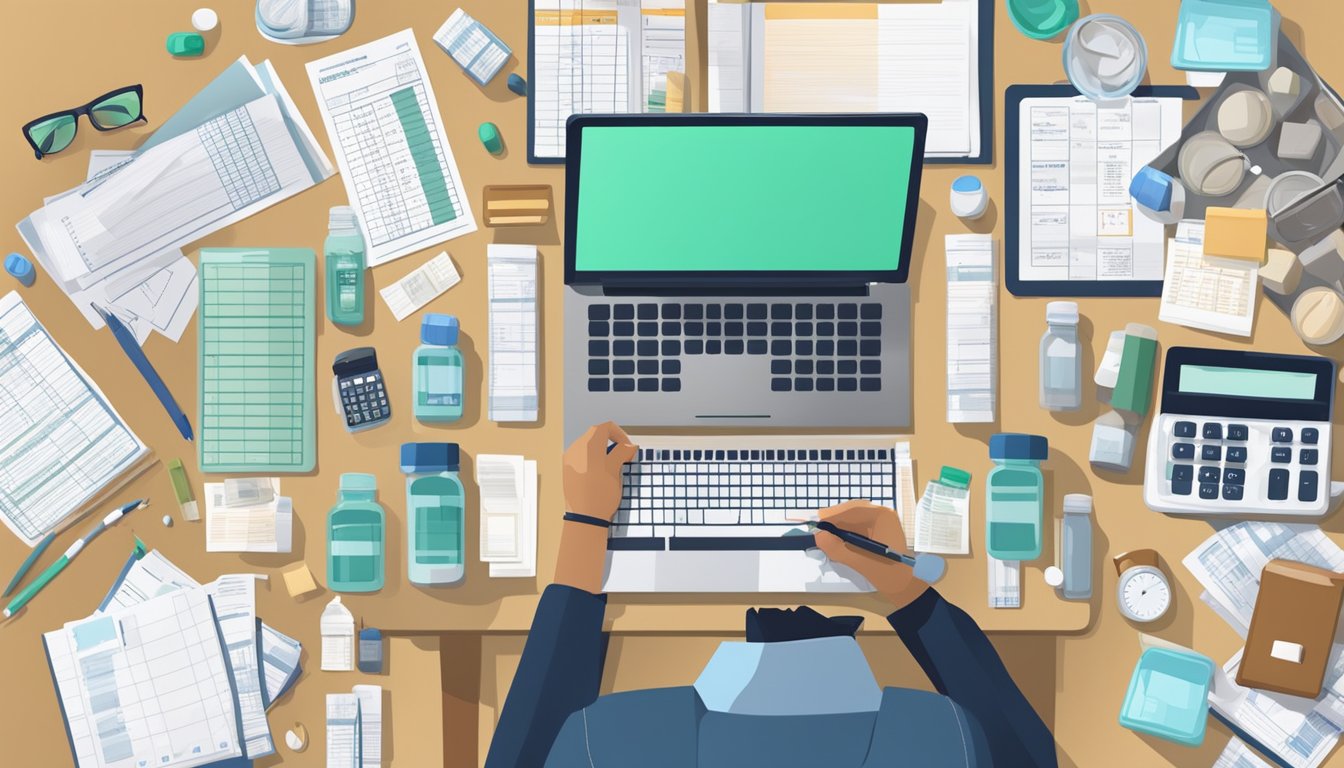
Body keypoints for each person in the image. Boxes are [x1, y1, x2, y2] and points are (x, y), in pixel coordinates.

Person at [485, 423, 1058, 767]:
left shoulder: (608, 739)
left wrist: (586, 520)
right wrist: (906, 591)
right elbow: (1026, 762)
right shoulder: (940, 738)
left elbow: (529, 754)